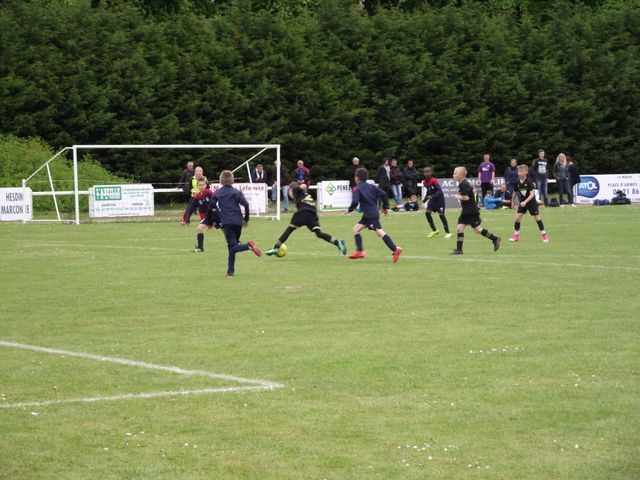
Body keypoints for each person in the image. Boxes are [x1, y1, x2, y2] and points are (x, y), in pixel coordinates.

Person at [265, 182, 346, 257]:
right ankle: (337, 242)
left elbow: (303, 186)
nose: (289, 194)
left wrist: (299, 186)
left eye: (288, 191)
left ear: (290, 189)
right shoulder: (304, 195)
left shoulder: (296, 190)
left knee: (289, 230)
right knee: (319, 233)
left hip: (303, 212)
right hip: (313, 214)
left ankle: (276, 247)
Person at [206, 170, 262, 277]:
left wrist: (209, 223)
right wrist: (246, 219)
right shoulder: (237, 192)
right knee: (232, 246)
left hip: (227, 223)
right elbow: (246, 205)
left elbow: (210, 208)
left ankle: (248, 246)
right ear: (232, 180)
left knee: (232, 246)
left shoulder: (218, 193)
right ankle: (230, 272)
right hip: (238, 222)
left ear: (221, 181)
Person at [347, 167, 403, 263]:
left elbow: (355, 201)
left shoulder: (356, 188)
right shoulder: (371, 186)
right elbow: (384, 194)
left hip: (369, 214)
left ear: (357, 178)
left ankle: (395, 249)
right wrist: (385, 207)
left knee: (380, 232)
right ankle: (359, 251)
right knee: (356, 229)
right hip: (371, 213)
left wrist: (350, 209)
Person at [450, 166, 500, 255]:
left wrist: (457, 196)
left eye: (455, 173)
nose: (453, 175)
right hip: (466, 211)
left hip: (471, 211)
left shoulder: (463, 184)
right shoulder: (463, 183)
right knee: (459, 228)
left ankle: (495, 238)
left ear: (461, 175)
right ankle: (459, 250)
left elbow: (466, 197)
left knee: (478, 230)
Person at [509, 164, 549, 243]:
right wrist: (512, 201)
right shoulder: (517, 182)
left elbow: (532, 194)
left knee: (537, 218)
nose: (519, 173)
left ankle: (544, 235)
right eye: (519, 171)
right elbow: (515, 192)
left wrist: (525, 202)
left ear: (526, 172)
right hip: (523, 202)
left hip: (531, 202)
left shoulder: (529, 182)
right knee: (517, 218)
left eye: (521, 171)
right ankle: (516, 236)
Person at [185, 178, 220, 252]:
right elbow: (191, 208)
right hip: (208, 217)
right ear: (197, 186)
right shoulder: (197, 197)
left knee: (225, 230)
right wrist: (187, 218)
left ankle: (236, 242)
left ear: (206, 185)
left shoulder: (209, 193)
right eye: (200, 185)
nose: (201, 186)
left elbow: (216, 202)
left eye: (203, 185)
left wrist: (212, 222)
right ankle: (200, 248)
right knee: (199, 228)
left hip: (216, 215)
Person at [421, 166, 451, 238]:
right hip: (432, 201)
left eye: (428, 172)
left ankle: (448, 232)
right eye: (425, 172)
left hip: (439, 200)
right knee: (427, 213)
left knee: (441, 215)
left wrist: (432, 196)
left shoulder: (434, 181)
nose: (426, 173)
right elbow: (429, 191)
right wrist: (424, 200)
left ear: (431, 173)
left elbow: (440, 191)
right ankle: (434, 230)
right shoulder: (424, 182)